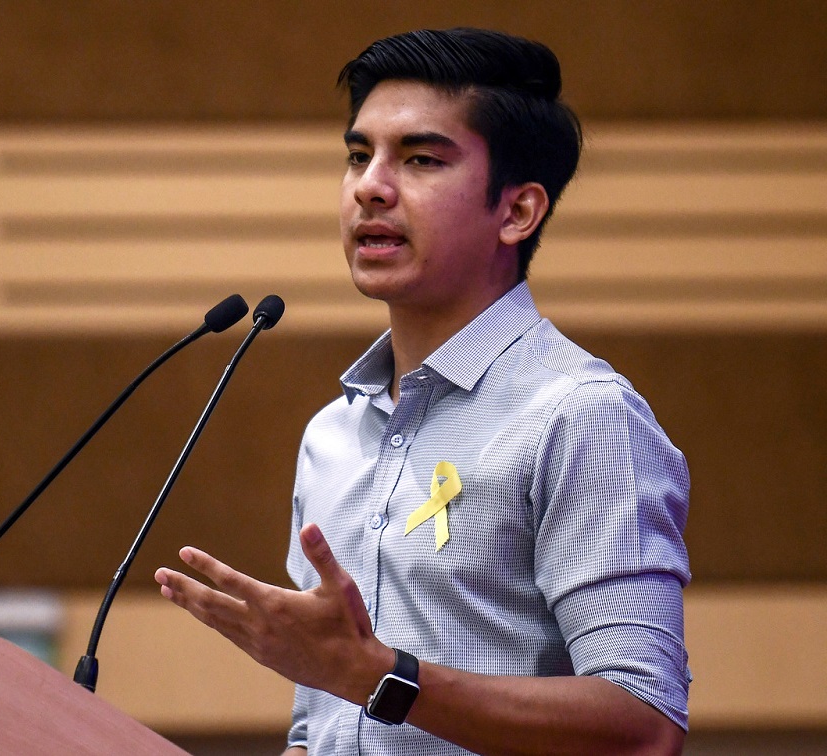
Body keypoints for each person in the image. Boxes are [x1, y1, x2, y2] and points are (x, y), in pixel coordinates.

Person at [155, 27, 691, 755]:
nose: (370, 186)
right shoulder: (332, 436)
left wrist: (381, 676)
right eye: (357, 155)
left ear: (517, 212)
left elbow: (643, 726)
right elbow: (322, 720)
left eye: (420, 159)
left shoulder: (580, 416)